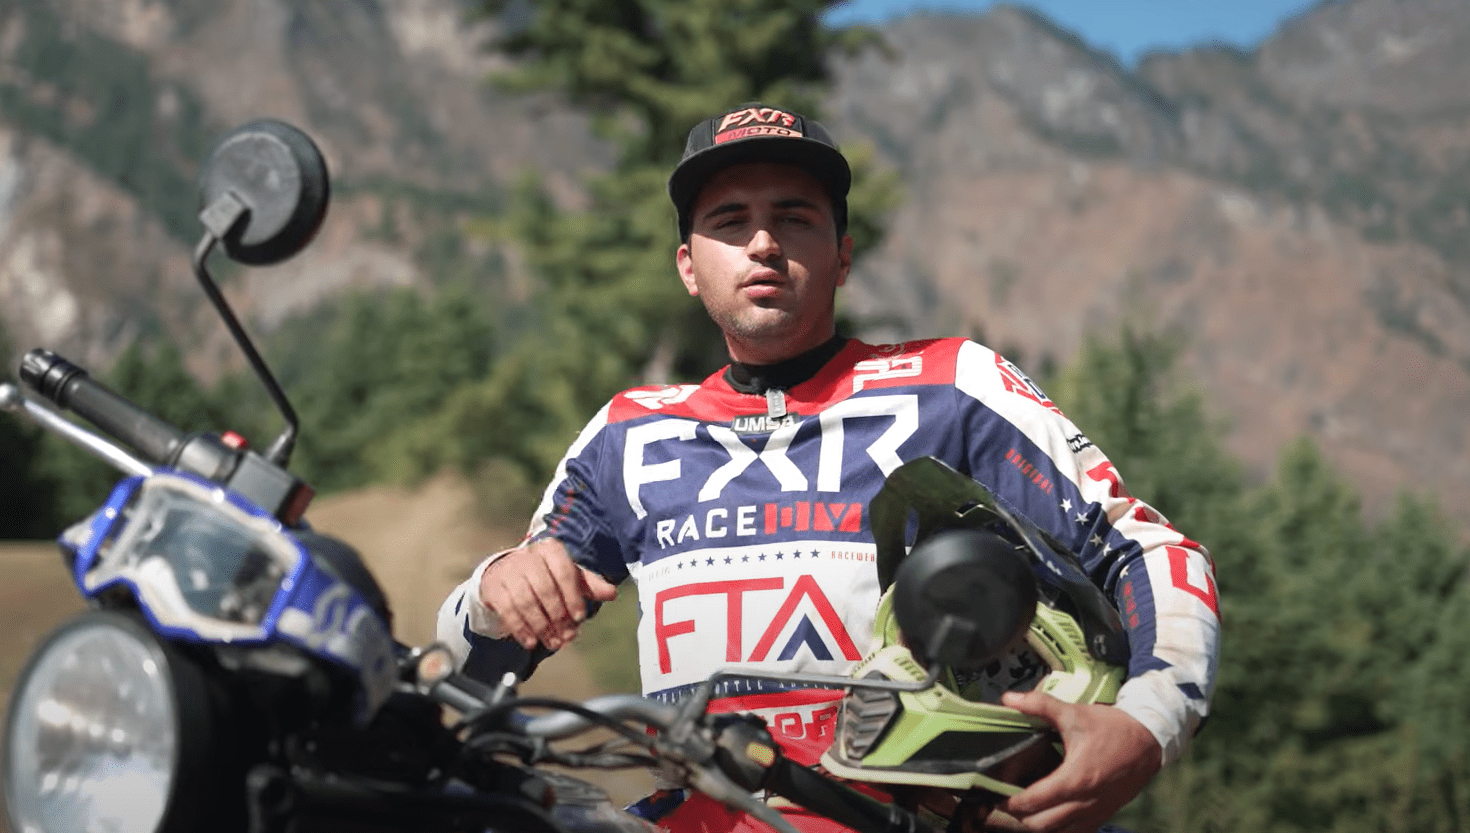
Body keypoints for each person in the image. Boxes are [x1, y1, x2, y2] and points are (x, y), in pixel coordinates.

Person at [437, 103, 1221, 833]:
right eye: (730, 220)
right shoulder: (626, 433)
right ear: (687, 264)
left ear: (842, 255)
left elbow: (1147, 549)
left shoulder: (954, 385)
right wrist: (496, 591)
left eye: (794, 217)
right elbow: (472, 674)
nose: (763, 243)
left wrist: (1149, 724)